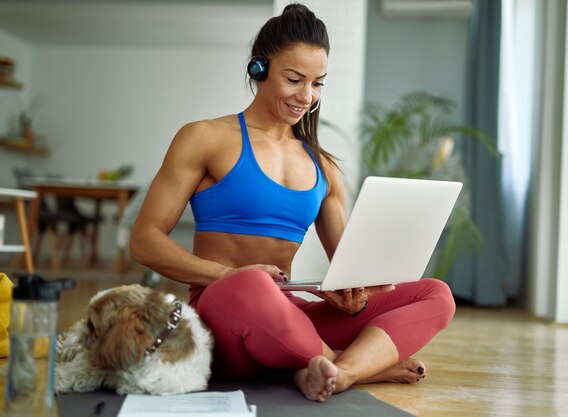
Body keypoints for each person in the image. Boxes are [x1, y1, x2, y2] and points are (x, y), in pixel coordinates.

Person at [130, 3, 455, 403]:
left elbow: (350, 272)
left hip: (290, 315)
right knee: (250, 283)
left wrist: (351, 297)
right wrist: (227, 275)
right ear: (259, 70)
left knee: (435, 293)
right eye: (294, 79)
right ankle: (346, 362)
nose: (307, 96)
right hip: (224, 316)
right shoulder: (204, 137)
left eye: (318, 83)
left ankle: (342, 372)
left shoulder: (324, 166)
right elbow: (144, 240)